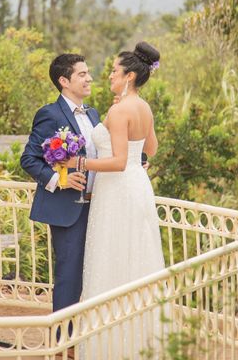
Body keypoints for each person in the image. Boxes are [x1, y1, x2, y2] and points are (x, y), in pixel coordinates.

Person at [65, 41, 166, 359]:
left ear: (130, 77)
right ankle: (140, 342)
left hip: (117, 190)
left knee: (112, 256)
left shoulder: (119, 110)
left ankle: (109, 346)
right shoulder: (144, 107)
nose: (109, 76)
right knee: (136, 257)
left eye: (114, 71)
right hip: (138, 186)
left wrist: (76, 164)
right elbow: (152, 148)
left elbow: (118, 161)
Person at [20, 53, 100, 316]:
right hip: (68, 211)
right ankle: (62, 341)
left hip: (98, 206)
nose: (89, 78)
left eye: (88, 73)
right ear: (64, 80)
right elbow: (29, 159)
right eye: (82, 74)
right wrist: (60, 180)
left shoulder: (93, 114)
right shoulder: (50, 114)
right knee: (69, 276)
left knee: (95, 272)